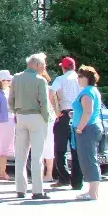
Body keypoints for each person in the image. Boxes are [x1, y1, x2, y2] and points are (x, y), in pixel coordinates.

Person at [9, 53, 51, 199]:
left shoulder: (16, 78)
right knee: (37, 156)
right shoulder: (40, 80)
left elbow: (11, 99)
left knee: (20, 155)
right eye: (43, 64)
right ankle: (37, 191)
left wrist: (16, 111)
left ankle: (20, 189)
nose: (44, 67)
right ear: (38, 64)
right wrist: (47, 119)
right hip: (36, 116)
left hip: (21, 116)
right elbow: (44, 103)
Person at [71, 65, 102, 201]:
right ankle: (92, 191)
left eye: (80, 76)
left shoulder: (87, 92)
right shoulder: (92, 90)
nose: (78, 78)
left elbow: (88, 112)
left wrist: (79, 128)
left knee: (88, 159)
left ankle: (93, 192)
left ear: (86, 78)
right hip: (90, 127)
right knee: (89, 158)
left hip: (87, 129)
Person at [50, 56, 81, 188]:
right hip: (78, 114)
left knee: (60, 148)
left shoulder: (60, 79)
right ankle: (77, 181)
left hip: (65, 113)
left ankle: (64, 177)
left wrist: (56, 110)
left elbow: (51, 93)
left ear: (63, 67)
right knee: (77, 149)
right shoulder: (80, 79)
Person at [39, 67, 56, 182]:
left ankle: (47, 173)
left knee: (42, 146)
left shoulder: (44, 90)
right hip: (49, 119)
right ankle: (48, 173)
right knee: (48, 146)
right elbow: (55, 106)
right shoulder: (50, 90)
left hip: (43, 119)